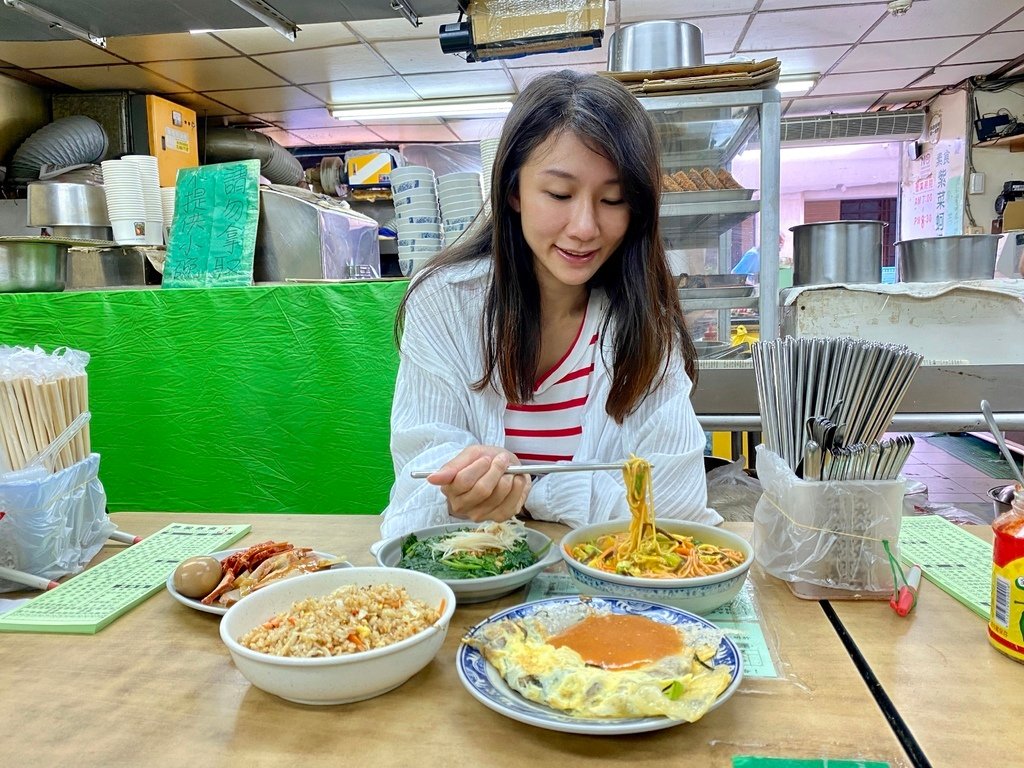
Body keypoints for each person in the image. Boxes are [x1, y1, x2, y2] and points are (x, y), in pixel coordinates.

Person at [380, 69, 721, 538]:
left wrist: (531, 493)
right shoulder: (444, 303)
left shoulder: (645, 324)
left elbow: (675, 503)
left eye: (614, 198)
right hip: (475, 590)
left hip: (611, 591)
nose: (584, 227)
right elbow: (421, 477)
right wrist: (460, 487)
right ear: (514, 190)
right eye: (559, 193)